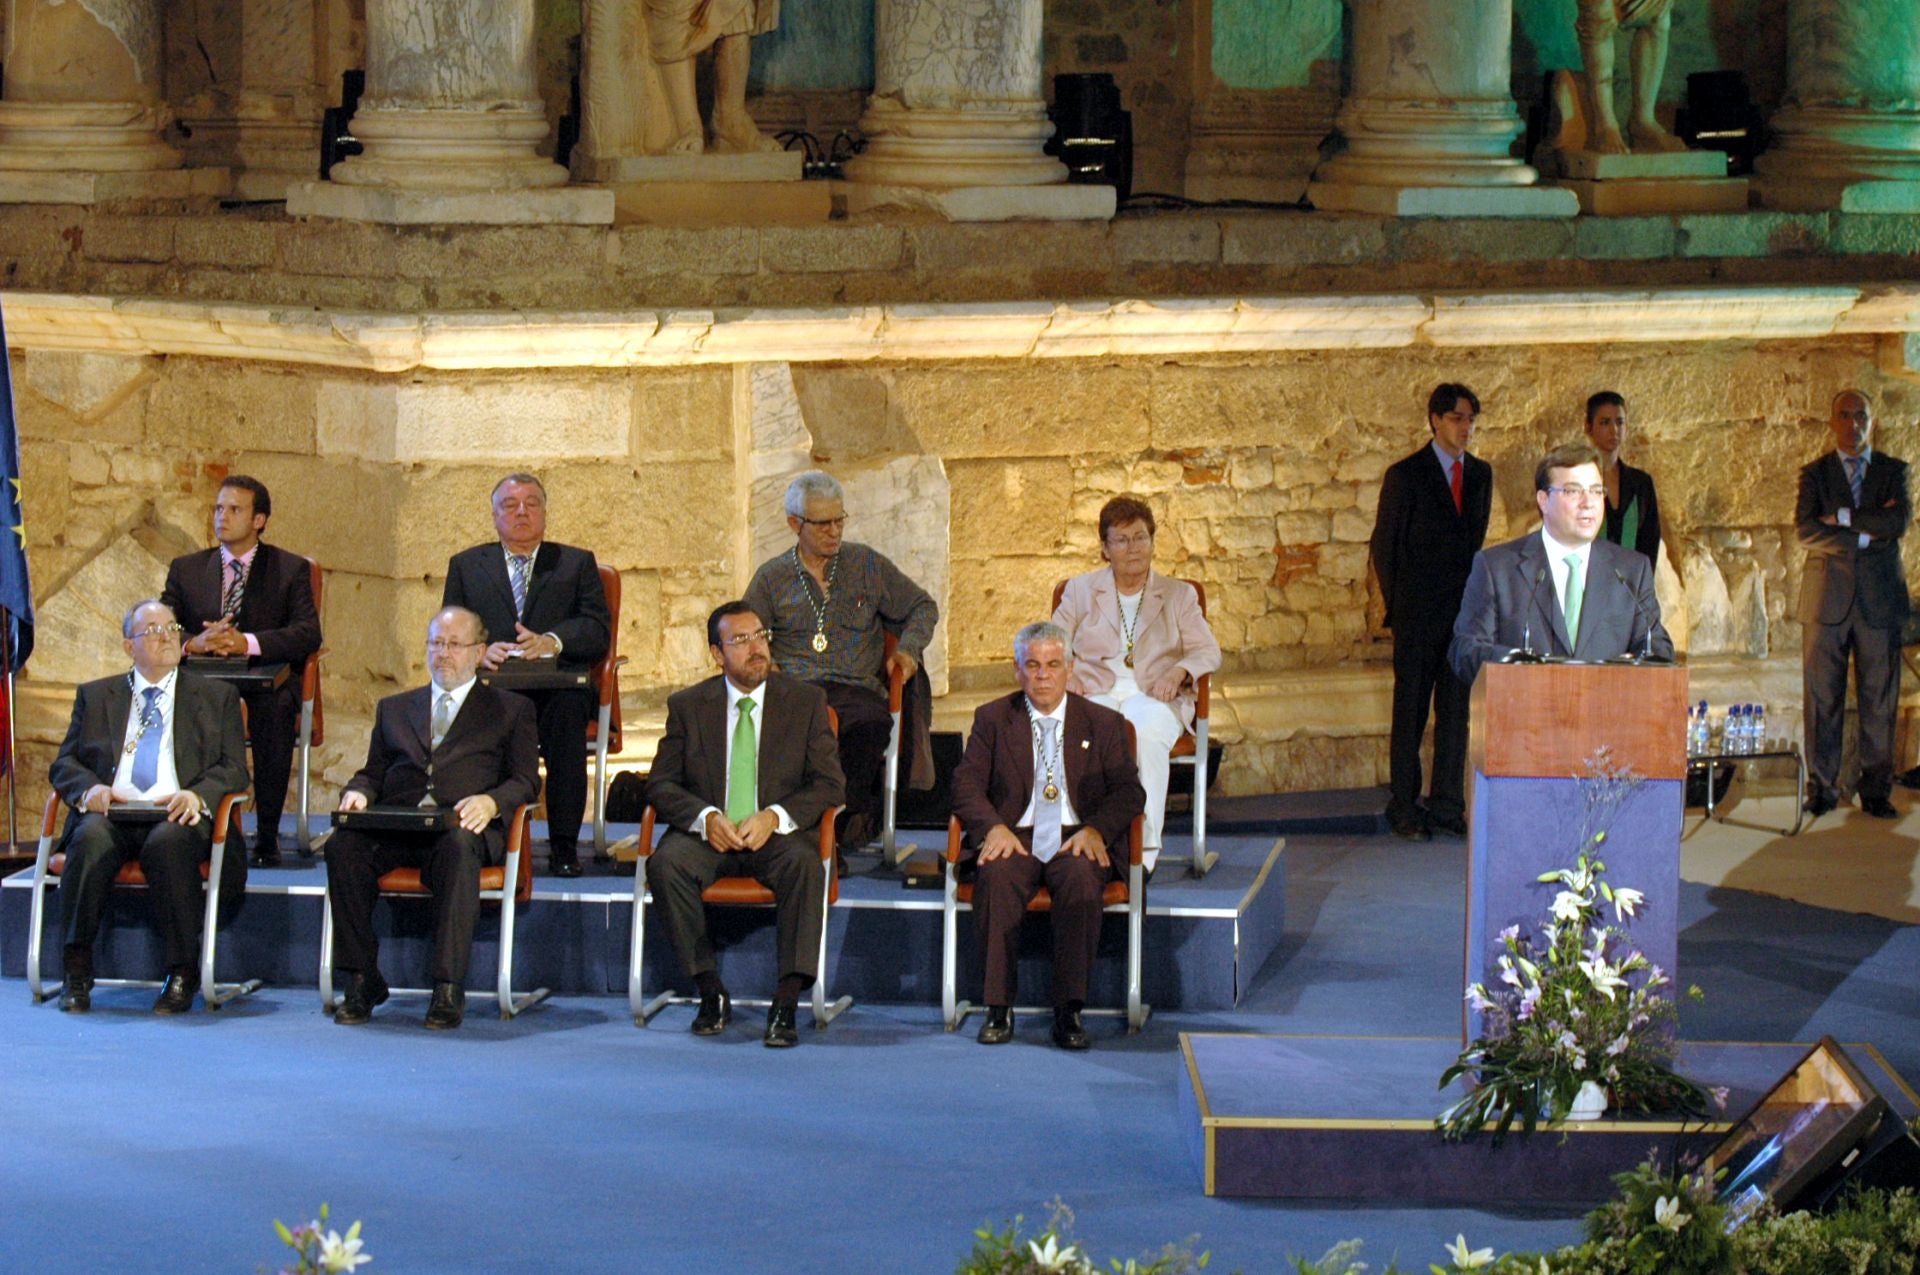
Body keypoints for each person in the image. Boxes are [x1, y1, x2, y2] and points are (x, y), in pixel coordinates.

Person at [325, 607, 541, 1030]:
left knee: (459, 846)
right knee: (342, 845)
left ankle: (447, 984)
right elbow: (373, 772)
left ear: (479, 652)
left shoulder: (510, 709)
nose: (443, 654)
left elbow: (526, 781)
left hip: (465, 827)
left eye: (454, 645)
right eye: (436, 644)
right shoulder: (394, 708)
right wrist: (359, 791)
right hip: (401, 824)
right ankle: (361, 978)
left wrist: (492, 803)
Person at [645, 601, 845, 1048]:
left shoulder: (805, 702)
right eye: (740, 640)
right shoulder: (688, 706)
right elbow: (660, 784)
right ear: (717, 654)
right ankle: (709, 991)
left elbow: (830, 784)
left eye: (759, 636)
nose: (756, 648)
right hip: (710, 836)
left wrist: (776, 816)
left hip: (774, 836)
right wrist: (705, 817)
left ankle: (786, 1000)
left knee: (804, 865)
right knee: (666, 864)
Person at [48, 600, 250, 1014]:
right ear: (128, 647)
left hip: (178, 815)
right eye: (152, 630)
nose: (167, 636)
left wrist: (198, 794)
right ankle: (76, 969)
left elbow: (234, 769)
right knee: (89, 837)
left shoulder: (218, 697)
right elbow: (64, 763)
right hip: (113, 813)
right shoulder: (95, 695)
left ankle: (181, 972)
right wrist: (89, 790)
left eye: (172, 627)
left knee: (167, 843)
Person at [950, 621, 1145, 1051]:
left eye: (1053, 665)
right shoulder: (993, 719)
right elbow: (964, 784)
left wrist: (1097, 830)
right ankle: (998, 1008)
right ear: (1018, 670)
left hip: (1076, 835)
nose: (1042, 675)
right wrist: (992, 827)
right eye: (1032, 665)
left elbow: (1130, 791)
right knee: (996, 875)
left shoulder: (1104, 722)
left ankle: (1069, 1010)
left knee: (1080, 878)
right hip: (1014, 834)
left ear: (1070, 668)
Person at [743, 470, 936, 850]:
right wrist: (764, 663)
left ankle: (845, 824)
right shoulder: (771, 578)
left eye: (839, 520)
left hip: (855, 687)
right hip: (795, 689)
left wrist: (908, 649)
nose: (834, 531)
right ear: (794, 524)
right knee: (797, 728)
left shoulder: (866, 565)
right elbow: (745, 633)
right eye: (823, 523)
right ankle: (806, 831)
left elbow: (921, 606)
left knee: (867, 724)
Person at [443, 473, 610, 877]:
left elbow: (596, 631)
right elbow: (449, 630)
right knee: (472, 718)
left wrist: (552, 640)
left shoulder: (576, 563)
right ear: (494, 514)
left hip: (557, 687)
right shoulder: (467, 566)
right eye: (510, 505)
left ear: (545, 512)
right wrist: (481, 650)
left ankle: (565, 845)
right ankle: (483, 839)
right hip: (495, 687)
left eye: (532, 503)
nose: (522, 512)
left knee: (568, 716)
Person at [160, 475, 321, 868]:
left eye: (234, 510)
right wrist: (191, 643)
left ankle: (267, 835)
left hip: (264, 680)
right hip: (202, 679)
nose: (223, 517)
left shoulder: (290, 569)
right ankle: (191, 823)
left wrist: (245, 642)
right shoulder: (186, 569)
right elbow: (163, 622)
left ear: (259, 520)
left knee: (276, 707)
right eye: (218, 509)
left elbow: (307, 633)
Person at [1051, 496, 1219, 872]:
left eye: (1141, 538)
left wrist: (1180, 672)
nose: (1134, 549)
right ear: (1104, 548)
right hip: (1096, 692)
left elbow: (1208, 651)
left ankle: (1144, 854)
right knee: (1089, 735)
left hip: (1155, 696)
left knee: (1143, 736)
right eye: (1122, 540)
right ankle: (1087, 841)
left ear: (1153, 542)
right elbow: (1051, 642)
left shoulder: (1178, 595)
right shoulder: (1079, 591)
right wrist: (1069, 674)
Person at [1370, 384, 1493, 841]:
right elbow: (1386, 546)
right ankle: (1404, 805)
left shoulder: (1480, 475)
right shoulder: (1406, 474)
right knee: (1411, 713)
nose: (1466, 428)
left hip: (1461, 617)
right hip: (1417, 615)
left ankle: (1446, 806)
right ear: (1435, 420)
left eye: (1471, 420)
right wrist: (1401, 607)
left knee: (1456, 714)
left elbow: (1474, 544)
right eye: (1458, 418)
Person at [1449, 441, 1673, 686]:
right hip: (1523, 715)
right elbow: (1465, 650)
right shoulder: (1497, 568)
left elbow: (1657, 649)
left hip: (1607, 715)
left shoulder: (1631, 570)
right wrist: (1514, 663)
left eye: (1597, 490)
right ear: (1544, 500)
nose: (1588, 502)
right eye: (1573, 491)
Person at [1798, 391, 1909, 819]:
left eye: (1860, 415)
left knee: (1879, 698)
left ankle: (1876, 789)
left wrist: (1843, 520)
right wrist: (1867, 532)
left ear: (1871, 420)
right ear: (1832, 422)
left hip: (1879, 600)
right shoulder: (1815, 474)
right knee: (1822, 698)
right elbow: (1806, 530)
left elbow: (1897, 522)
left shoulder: (1892, 471)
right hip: (1826, 600)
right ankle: (1822, 788)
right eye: (1843, 415)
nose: (1852, 423)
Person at [1583, 391, 1662, 568]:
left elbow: (1650, 541)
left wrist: (1640, 588)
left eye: (1620, 422)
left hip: (1630, 587)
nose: (1614, 430)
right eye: (1605, 423)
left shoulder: (1641, 483)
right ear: (1588, 427)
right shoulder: (1579, 482)